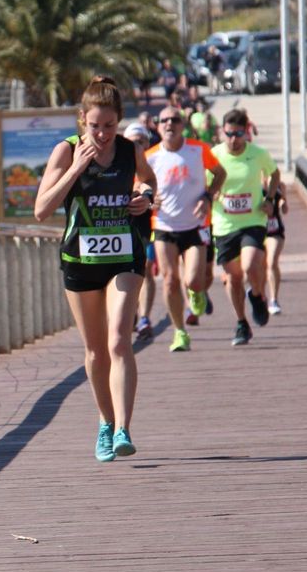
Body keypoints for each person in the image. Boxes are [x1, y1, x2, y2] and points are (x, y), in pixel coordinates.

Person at [35, 76, 157, 462]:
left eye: (109, 125)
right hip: (81, 261)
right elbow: (41, 210)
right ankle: (106, 421)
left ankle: (123, 429)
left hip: (124, 255)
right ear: (81, 120)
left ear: (119, 120)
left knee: (119, 340)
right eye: (94, 126)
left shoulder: (129, 149)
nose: (102, 134)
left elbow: (148, 180)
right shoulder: (66, 150)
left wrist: (145, 197)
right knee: (95, 350)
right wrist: (75, 169)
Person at [146, 106, 226, 351]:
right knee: (170, 280)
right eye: (164, 120)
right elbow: (139, 186)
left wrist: (208, 196)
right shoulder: (150, 157)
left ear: (183, 125)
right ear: (158, 126)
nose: (169, 124)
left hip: (195, 225)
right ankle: (179, 332)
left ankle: (197, 292)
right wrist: (149, 198)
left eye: (175, 120)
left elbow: (220, 173)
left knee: (193, 279)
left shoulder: (198, 149)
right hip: (164, 225)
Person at [210, 109, 279, 346]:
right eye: (229, 134)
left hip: (253, 221)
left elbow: (275, 174)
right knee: (233, 278)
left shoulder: (258, 154)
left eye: (238, 134)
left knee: (250, 265)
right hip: (224, 224)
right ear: (222, 132)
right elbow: (204, 183)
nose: (233, 139)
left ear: (246, 133)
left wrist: (270, 199)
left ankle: (257, 296)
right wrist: (211, 193)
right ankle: (241, 322)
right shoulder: (214, 155)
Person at [124, 123, 158, 341]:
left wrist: (152, 198)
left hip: (151, 223)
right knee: (126, 271)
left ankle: (145, 317)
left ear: (147, 142)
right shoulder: (119, 161)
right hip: (125, 224)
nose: (137, 145)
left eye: (141, 141)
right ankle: (131, 311)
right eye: (132, 141)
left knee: (145, 268)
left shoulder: (156, 159)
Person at [265, 180, 288, 315]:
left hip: (274, 230)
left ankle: (274, 299)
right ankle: (258, 294)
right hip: (255, 231)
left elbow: (285, 209)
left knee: (272, 262)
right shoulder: (249, 180)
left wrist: (283, 202)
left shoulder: (278, 184)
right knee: (256, 268)